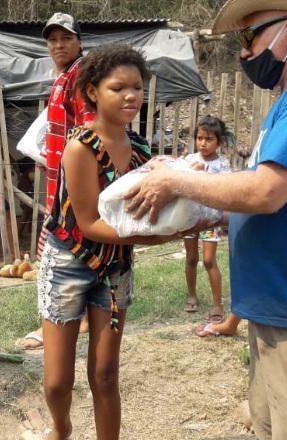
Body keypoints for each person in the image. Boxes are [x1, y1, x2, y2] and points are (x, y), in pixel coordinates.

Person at [124, 1, 287, 438]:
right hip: (280, 313)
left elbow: (266, 192)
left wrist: (177, 182)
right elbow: (272, 196)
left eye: (249, 37)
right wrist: (198, 213)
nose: (243, 52)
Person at [39, 44, 175, 440]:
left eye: (137, 87)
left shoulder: (143, 153)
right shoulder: (80, 148)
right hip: (69, 262)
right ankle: (61, 428)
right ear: (93, 92)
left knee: (105, 374)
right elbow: (89, 223)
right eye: (119, 88)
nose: (131, 95)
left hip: (115, 266)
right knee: (56, 383)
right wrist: (156, 237)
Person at [21, 12, 94, 350]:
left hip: (71, 191)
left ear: (79, 41)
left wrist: (76, 180)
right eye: (52, 39)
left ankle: (52, 326)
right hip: (60, 186)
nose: (58, 44)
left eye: (65, 38)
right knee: (72, 252)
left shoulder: (80, 78)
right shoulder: (66, 77)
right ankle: (75, 321)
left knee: (54, 256)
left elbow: (89, 132)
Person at [181, 116, 231, 327]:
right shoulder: (189, 160)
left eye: (209, 139)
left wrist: (205, 173)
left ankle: (217, 304)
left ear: (219, 142)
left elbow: (225, 188)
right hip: (190, 218)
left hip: (210, 220)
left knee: (209, 261)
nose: (203, 143)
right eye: (199, 138)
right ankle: (192, 295)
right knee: (191, 258)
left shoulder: (222, 164)